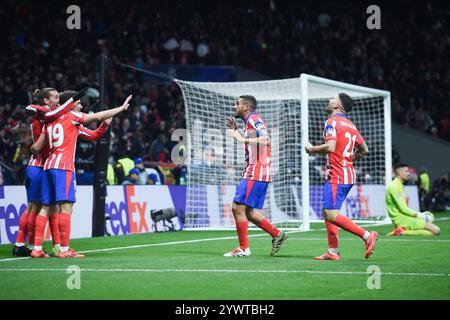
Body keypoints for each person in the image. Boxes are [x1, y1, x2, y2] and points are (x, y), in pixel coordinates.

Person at [30, 92, 132, 258]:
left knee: (46, 207)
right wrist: (120, 108)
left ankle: (36, 248)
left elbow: (92, 136)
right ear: (70, 104)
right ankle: (64, 250)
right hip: (64, 167)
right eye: (79, 104)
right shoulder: (73, 117)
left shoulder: (49, 121)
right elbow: (98, 116)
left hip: (48, 166)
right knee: (66, 206)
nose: (81, 107)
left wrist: (104, 126)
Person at [305, 93, 378, 261]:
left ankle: (367, 236)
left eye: (332, 98)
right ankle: (332, 251)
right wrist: (348, 159)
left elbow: (330, 147)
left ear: (337, 105)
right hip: (347, 173)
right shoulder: (351, 125)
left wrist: (311, 149)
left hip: (337, 174)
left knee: (331, 214)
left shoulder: (331, 122)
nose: (329, 100)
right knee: (327, 211)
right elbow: (364, 149)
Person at [225, 95, 288, 257]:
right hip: (259, 171)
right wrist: (238, 131)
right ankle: (276, 234)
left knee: (237, 207)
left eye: (237, 104)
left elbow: (267, 139)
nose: (234, 106)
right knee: (247, 211)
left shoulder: (254, 119)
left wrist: (240, 138)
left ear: (246, 107)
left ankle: (244, 248)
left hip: (257, 171)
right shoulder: (249, 123)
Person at [386, 163, 440, 236]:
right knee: (436, 230)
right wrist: (420, 215)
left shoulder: (398, 185)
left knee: (433, 230)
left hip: (405, 218)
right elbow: (403, 209)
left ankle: (401, 231)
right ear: (399, 173)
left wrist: (419, 214)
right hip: (402, 220)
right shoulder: (395, 186)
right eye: (406, 171)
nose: (409, 173)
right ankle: (401, 232)